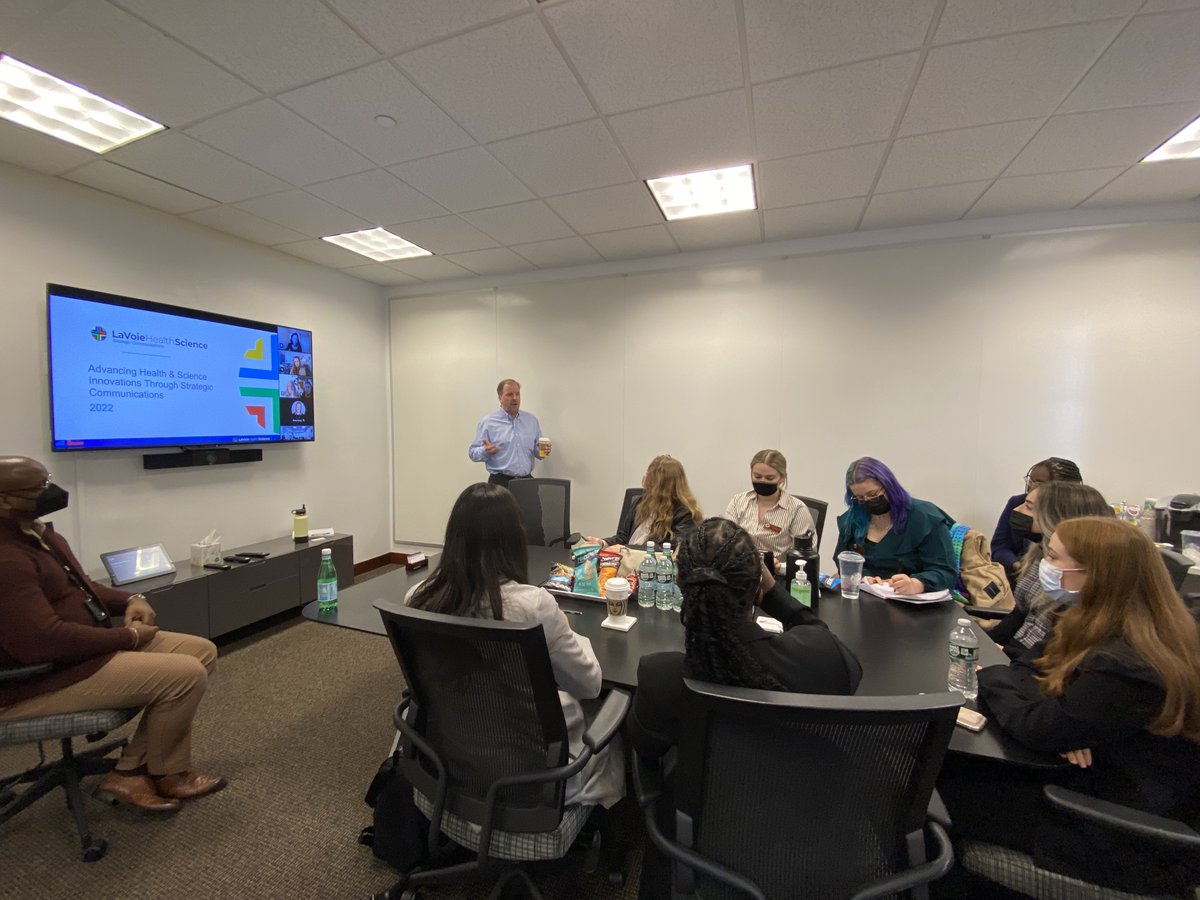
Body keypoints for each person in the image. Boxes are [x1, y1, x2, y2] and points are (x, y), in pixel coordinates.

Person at [941, 517, 1200, 894]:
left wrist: (993, 678)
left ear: (1095, 574)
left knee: (932, 790)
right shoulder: (1084, 617)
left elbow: (1032, 721)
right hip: (1083, 777)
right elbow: (1026, 668)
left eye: (1053, 556)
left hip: (1116, 827)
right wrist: (1056, 716)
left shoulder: (1128, 662)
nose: (1043, 565)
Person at [628, 517, 862, 898]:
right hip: (813, 837)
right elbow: (820, 636)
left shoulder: (662, 677)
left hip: (706, 833)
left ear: (683, 589)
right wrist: (773, 594)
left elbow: (644, 749)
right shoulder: (819, 660)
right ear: (755, 590)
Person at [0, 456, 224, 812]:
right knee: (184, 675)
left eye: (49, 481)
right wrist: (129, 639)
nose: (51, 492)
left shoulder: (39, 535)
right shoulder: (7, 558)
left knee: (201, 651)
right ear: (4, 501)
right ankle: (151, 772)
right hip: (39, 680)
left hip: (84, 652)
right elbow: (43, 641)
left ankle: (136, 768)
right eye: (38, 488)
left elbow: (82, 589)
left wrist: (131, 598)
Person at [406, 483, 623, 809]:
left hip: (450, 760)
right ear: (514, 540)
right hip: (532, 780)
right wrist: (567, 629)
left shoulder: (418, 598)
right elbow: (589, 685)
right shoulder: (533, 606)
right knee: (616, 722)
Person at [988, 481, 1113, 658]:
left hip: (1030, 665)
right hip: (1017, 656)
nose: (1017, 510)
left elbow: (1048, 649)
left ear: (1055, 516)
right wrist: (986, 644)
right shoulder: (1040, 554)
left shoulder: (1071, 580)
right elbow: (1021, 614)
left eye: (1029, 507)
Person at [833, 457, 957, 595]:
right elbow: (843, 560)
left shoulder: (925, 518)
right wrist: (865, 578)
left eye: (873, 494)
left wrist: (916, 584)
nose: (867, 501)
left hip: (914, 605)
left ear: (889, 486)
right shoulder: (853, 520)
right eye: (860, 498)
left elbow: (946, 573)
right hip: (867, 597)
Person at [583, 455, 702, 549]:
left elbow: (671, 550)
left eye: (649, 474)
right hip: (625, 565)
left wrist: (626, 550)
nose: (645, 477)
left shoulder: (684, 513)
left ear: (659, 483)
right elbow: (623, 537)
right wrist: (602, 543)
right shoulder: (640, 501)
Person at [991, 457, 1082, 576]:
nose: (1031, 487)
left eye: (1038, 484)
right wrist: (1020, 567)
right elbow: (999, 547)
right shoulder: (1017, 503)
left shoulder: (1082, 520)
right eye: (1030, 481)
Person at [723, 449, 817, 558]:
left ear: (782, 477)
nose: (763, 481)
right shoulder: (738, 501)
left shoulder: (797, 510)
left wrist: (781, 566)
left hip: (779, 572)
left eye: (770, 478)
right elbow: (725, 542)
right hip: (742, 569)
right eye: (757, 477)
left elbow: (805, 556)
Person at [467, 379, 549, 488]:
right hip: (500, 483)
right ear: (500, 398)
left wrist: (543, 451)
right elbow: (472, 453)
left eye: (517, 394)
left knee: (533, 506)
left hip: (527, 481)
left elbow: (538, 453)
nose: (515, 398)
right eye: (509, 394)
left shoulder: (531, 420)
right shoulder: (488, 422)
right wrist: (485, 451)